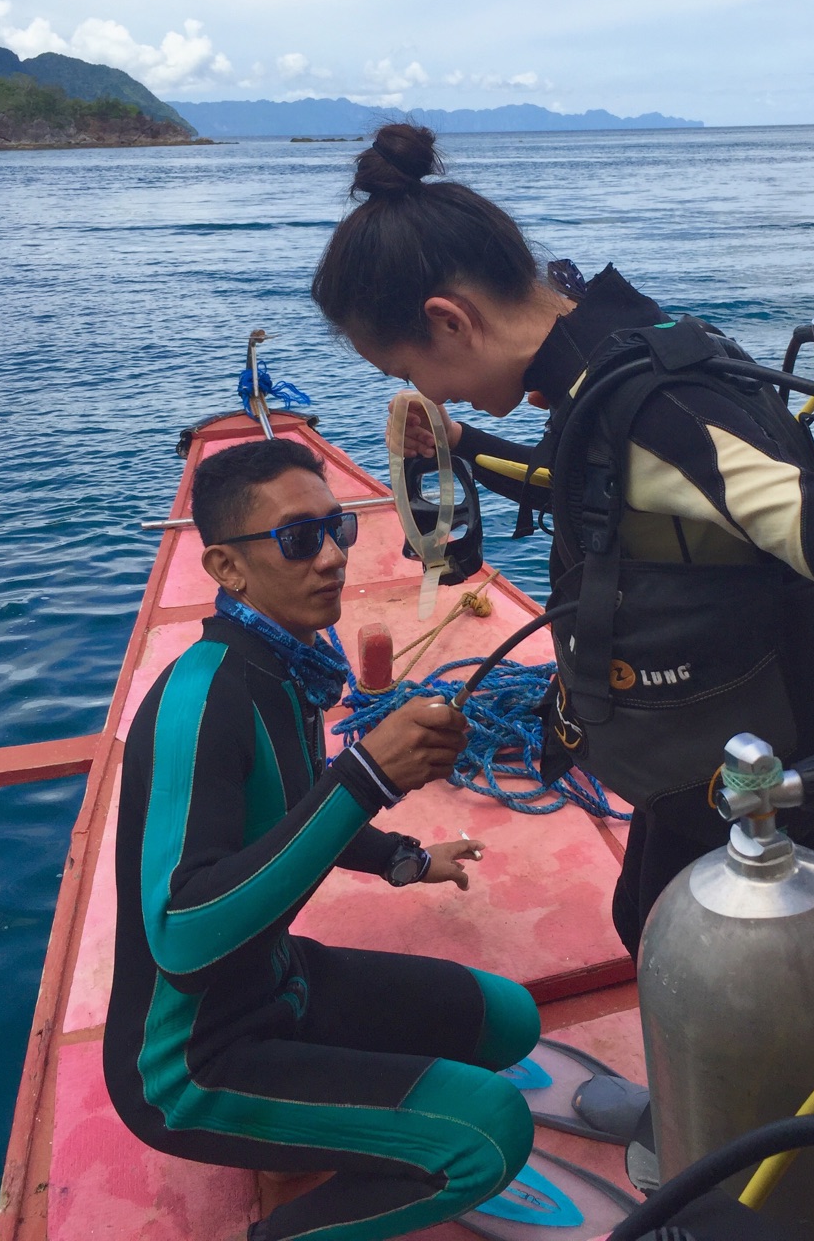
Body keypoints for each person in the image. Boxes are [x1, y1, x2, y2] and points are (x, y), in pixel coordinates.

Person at [309, 122, 814, 960]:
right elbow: (606, 491)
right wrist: (466, 449)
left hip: (769, 745)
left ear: (450, 320)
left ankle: (777, 1093)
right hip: (701, 734)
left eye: (407, 373)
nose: (421, 391)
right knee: (642, 919)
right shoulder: (604, 351)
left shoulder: (654, 407)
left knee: (700, 956)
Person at [103, 437, 539, 1241]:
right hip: (189, 1065)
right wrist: (368, 777)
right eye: (299, 540)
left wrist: (408, 860)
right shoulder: (200, 703)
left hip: (281, 986)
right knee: (490, 1131)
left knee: (510, 1019)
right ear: (228, 570)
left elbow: (295, 808)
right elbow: (183, 940)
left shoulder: (289, 664)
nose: (334, 556)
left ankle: (337, 1131)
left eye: (336, 529)